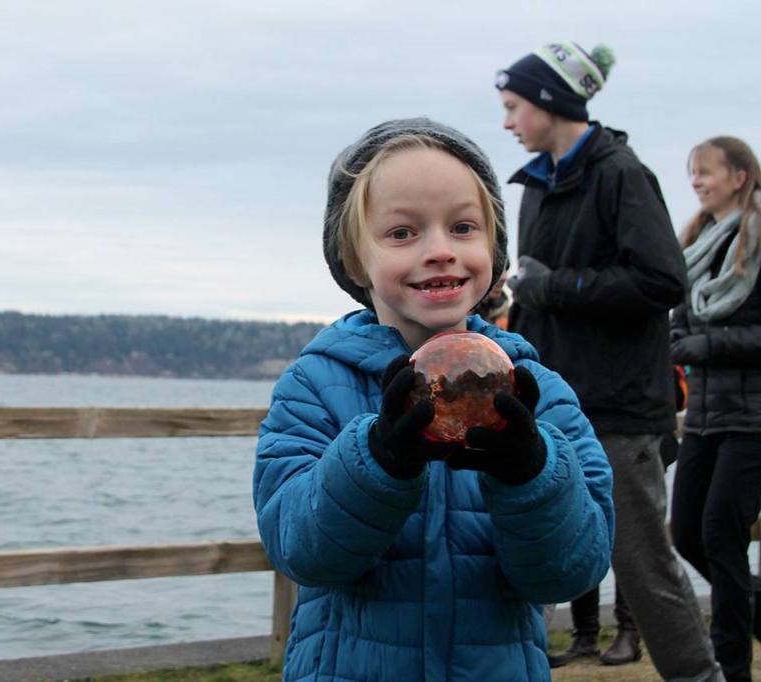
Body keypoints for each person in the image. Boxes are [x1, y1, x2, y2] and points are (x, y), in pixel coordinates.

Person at [253, 117, 614, 681]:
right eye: (403, 233)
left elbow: (574, 570)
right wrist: (379, 460)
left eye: (464, 227)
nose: (440, 250)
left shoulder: (538, 393)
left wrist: (531, 471)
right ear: (353, 260)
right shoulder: (314, 388)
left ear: (494, 249)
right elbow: (301, 551)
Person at [497, 42, 723, 680]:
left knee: (643, 566)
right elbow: (536, 287)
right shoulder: (536, 186)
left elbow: (662, 282)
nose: (508, 122)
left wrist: (554, 287)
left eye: (514, 107)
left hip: (619, 408)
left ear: (548, 101)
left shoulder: (623, 173)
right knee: (527, 536)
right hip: (551, 399)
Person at [670, 136, 761, 682]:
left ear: (740, 176)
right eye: (693, 174)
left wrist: (709, 346)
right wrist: (682, 337)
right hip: (703, 413)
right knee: (685, 534)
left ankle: (732, 665)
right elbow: (679, 311)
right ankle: (753, 609)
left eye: (705, 172)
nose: (697, 182)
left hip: (754, 418)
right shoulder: (698, 243)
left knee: (722, 534)